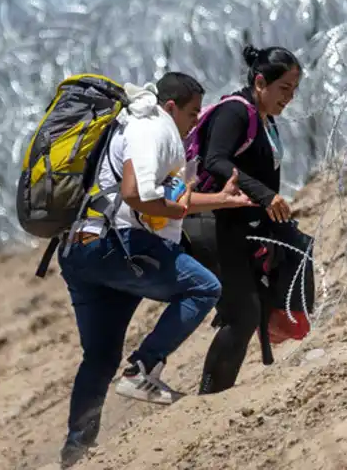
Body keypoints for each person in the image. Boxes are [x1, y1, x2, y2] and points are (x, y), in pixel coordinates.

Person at [57, 72, 254, 468]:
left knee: (99, 355)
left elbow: (171, 199)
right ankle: (142, 368)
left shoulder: (146, 133)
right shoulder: (153, 128)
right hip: (117, 246)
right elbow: (136, 193)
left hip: (82, 250)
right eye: (193, 112)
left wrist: (221, 199)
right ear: (171, 107)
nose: (197, 121)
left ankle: (76, 452)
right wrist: (171, 208)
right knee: (203, 288)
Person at [194, 43, 304, 395]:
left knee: (252, 310)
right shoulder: (235, 112)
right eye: (283, 88)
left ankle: (216, 394)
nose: (289, 97)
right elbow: (215, 161)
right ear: (260, 82)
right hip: (211, 224)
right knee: (243, 312)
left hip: (240, 228)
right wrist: (265, 195)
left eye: (294, 90)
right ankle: (208, 398)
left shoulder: (265, 120)